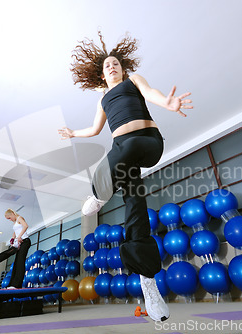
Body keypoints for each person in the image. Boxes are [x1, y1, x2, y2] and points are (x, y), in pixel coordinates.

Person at [58, 31, 192, 322]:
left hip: (147, 141)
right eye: (107, 65)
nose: (112, 66)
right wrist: (73, 133)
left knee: (121, 154)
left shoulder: (134, 80)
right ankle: (148, 282)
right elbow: (94, 130)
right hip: (123, 153)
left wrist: (167, 104)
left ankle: (99, 192)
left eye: (116, 63)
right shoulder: (103, 98)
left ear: (122, 68)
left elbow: (151, 93)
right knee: (135, 206)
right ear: (101, 75)